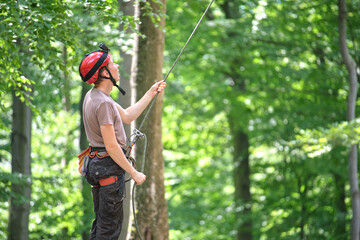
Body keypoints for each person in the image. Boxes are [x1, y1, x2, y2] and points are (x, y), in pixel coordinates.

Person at [78, 43, 166, 239]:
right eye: (112, 64)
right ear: (103, 73)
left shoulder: (96, 96)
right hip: (107, 166)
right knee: (108, 232)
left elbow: (127, 116)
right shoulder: (103, 103)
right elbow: (111, 146)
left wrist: (151, 93)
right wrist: (133, 173)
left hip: (97, 165)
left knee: (101, 226)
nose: (117, 66)